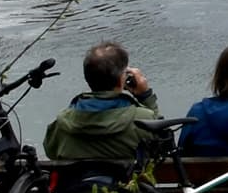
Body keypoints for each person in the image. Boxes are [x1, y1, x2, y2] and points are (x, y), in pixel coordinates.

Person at [39, 41, 177, 166]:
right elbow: (162, 149)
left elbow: (50, 152)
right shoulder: (142, 120)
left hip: (76, 192)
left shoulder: (61, 123)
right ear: (121, 80)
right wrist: (146, 97)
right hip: (129, 192)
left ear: (87, 79)